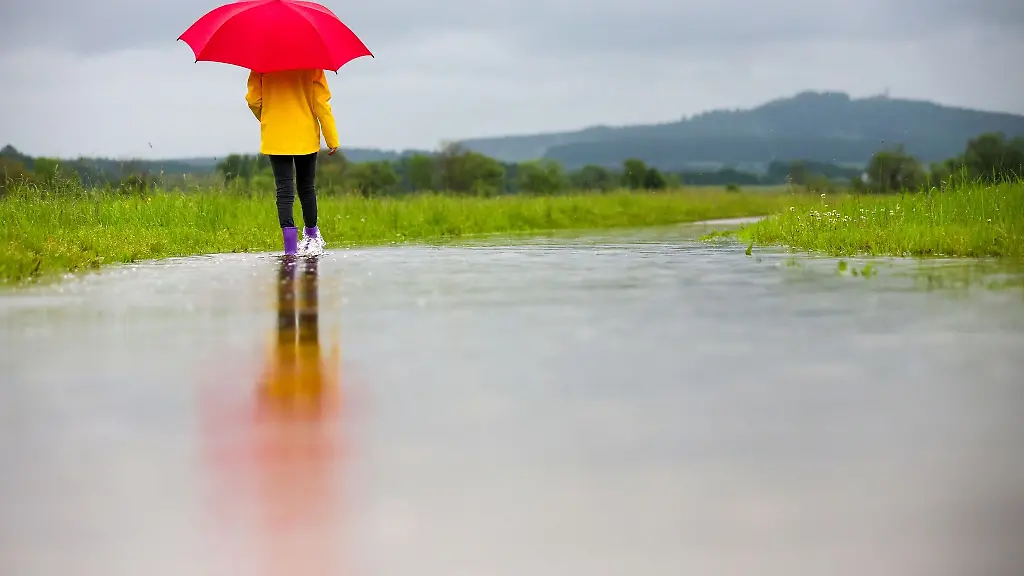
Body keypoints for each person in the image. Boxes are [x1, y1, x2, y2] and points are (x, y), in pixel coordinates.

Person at [245, 68, 339, 257]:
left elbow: (254, 100)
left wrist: (268, 117)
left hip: (276, 134)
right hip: (305, 133)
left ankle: (290, 249)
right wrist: (331, 137)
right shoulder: (313, 64)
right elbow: (320, 102)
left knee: (284, 188)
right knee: (306, 187)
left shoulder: (261, 64)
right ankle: (312, 239)